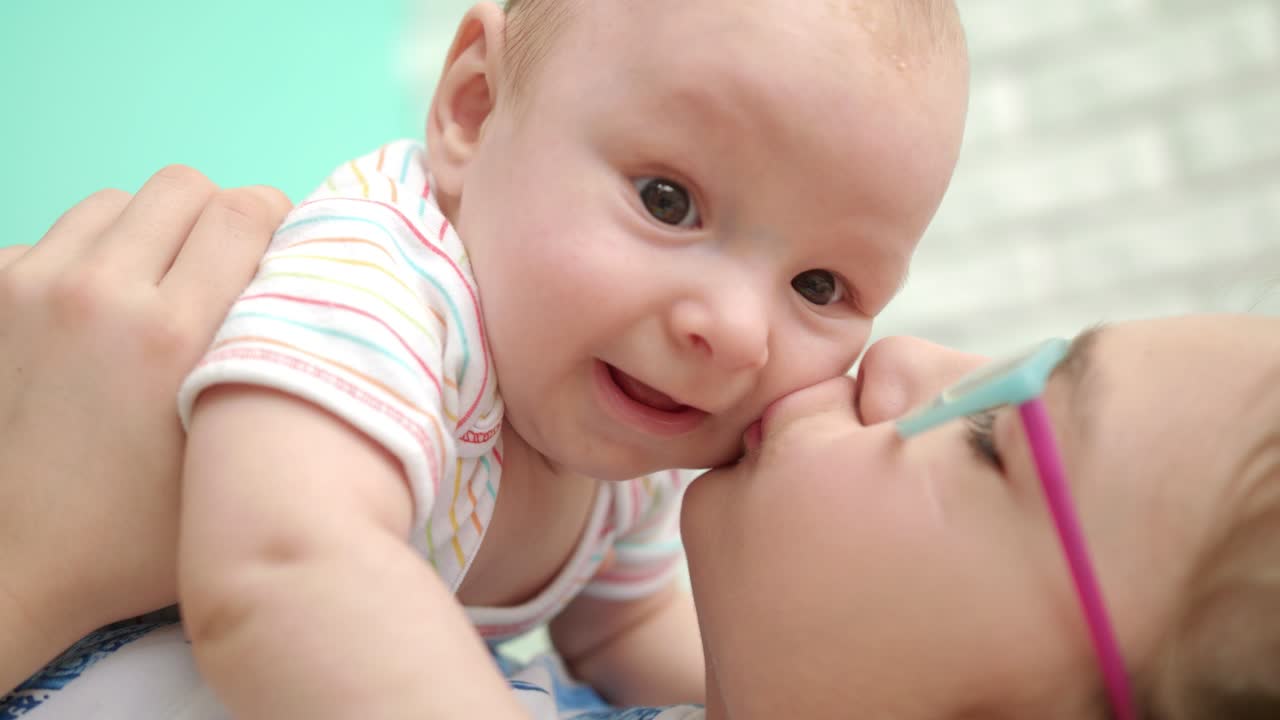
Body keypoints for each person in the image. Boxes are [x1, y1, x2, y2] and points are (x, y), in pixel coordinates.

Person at [4, 171, 1278, 719]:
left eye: (996, 433)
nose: (899, 361)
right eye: (664, 201)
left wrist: (34, 548)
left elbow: (286, 566)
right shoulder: (403, 289)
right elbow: (622, 631)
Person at [166, 0, 969, 716]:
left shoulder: (633, 420)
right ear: (474, 110)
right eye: (668, 201)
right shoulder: (385, 283)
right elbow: (286, 566)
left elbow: (624, 627)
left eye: (819, 285)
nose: (735, 331)